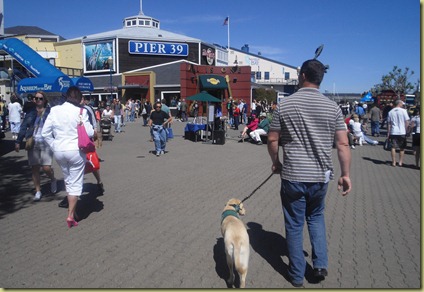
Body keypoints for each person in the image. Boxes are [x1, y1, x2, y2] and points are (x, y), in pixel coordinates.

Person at [267, 59, 352, 287]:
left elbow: (273, 138)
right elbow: (343, 144)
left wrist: (276, 162)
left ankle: (296, 275)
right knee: (316, 218)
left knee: (294, 225)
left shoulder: (284, 105)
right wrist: (345, 174)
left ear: (303, 75)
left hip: (293, 175)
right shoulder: (332, 107)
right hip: (320, 176)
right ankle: (320, 264)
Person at [42, 86, 94, 228]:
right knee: (76, 182)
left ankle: (73, 211)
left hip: (59, 150)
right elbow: (89, 132)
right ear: (78, 98)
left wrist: (55, 145)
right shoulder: (81, 111)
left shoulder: (54, 110)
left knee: (68, 179)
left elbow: (45, 133)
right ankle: (71, 215)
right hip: (75, 150)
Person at [15, 91, 57, 201]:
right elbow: (24, 126)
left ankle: (52, 179)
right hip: (33, 142)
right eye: (36, 98)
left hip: (46, 142)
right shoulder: (30, 112)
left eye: (40, 98)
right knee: (35, 168)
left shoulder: (50, 112)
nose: (38, 100)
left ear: (45, 100)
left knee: (46, 167)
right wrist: (18, 141)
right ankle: (38, 191)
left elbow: (56, 126)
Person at [82, 97, 104, 193]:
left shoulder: (88, 109)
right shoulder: (71, 110)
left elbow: (94, 122)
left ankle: (99, 181)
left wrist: (96, 133)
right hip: (75, 141)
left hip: (87, 139)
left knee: (92, 162)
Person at [387, 99, 409, 167]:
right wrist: (406, 130)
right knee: (402, 148)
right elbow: (407, 121)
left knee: (393, 147)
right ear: (399, 103)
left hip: (393, 132)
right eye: (402, 103)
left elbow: (389, 124)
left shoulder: (390, 112)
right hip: (402, 132)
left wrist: (388, 132)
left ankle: (394, 162)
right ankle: (400, 162)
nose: (403, 105)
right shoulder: (404, 111)